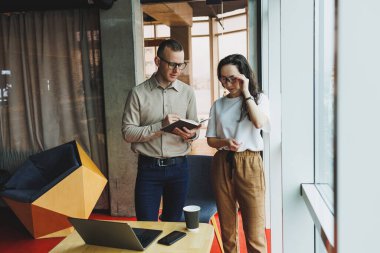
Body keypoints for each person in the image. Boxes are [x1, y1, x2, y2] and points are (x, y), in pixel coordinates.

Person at [122, 39, 200, 222]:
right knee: (147, 226)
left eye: (181, 65)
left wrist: (193, 135)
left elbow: (195, 128)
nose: (177, 70)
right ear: (158, 62)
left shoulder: (188, 93)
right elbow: (127, 133)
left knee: (173, 226)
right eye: (172, 64)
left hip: (180, 168)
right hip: (148, 169)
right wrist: (161, 126)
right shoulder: (138, 93)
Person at [206, 54, 270, 253]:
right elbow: (210, 140)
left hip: (249, 162)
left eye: (232, 78)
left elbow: (259, 123)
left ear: (244, 75)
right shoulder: (218, 104)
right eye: (223, 79)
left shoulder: (259, 98)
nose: (227, 83)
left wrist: (246, 93)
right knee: (227, 229)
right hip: (223, 161)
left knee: (254, 229)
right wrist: (226, 141)